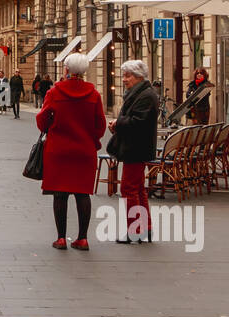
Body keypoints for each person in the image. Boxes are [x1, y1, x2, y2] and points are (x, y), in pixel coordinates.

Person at [38, 53, 106, 251]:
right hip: (84, 151)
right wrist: (92, 139)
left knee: (60, 194)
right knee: (82, 194)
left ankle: (60, 238)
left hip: (58, 150)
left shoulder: (54, 93)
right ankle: (83, 238)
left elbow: (42, 120)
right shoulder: (94, 95)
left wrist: (52, 126)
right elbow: (100, 125)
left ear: (66, 69)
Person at [107, 60, 159, 244]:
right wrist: (118, 124)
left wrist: (118, 123)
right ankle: (146, 228)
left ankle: (135, 230)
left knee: (128, 188)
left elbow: (138, 122)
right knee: (138, 189)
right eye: (124, 75)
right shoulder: (140, 93)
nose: (124, 79)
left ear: (139, 76)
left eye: (128, 76)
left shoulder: (145, 96)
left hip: (136, 148)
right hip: (135, 146)